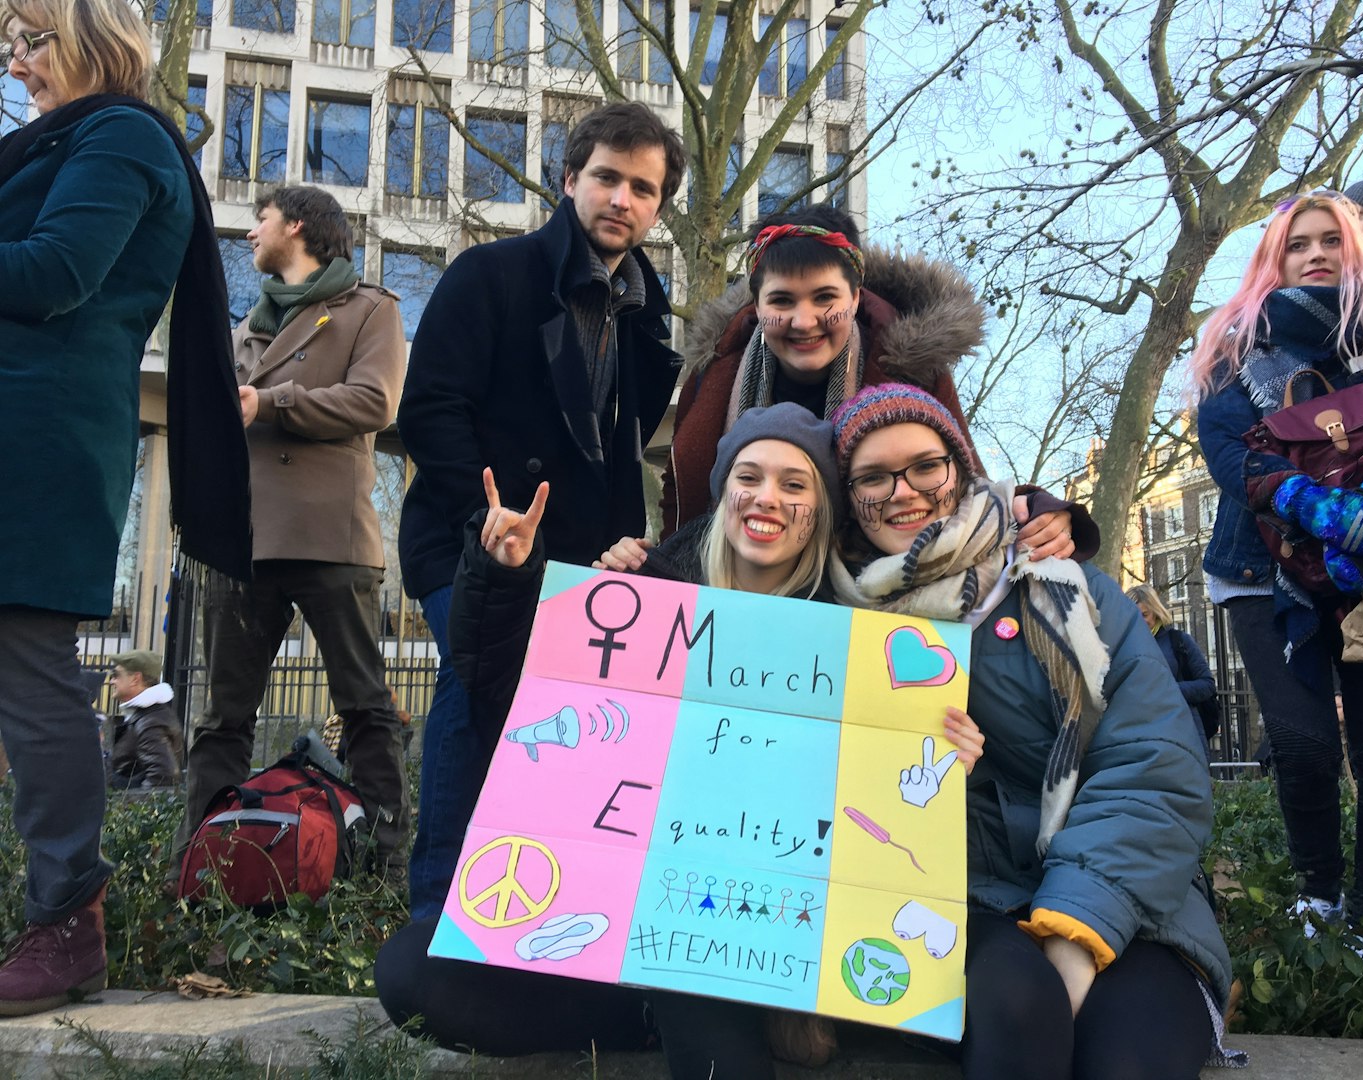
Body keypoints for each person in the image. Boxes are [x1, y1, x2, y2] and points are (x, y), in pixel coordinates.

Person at [378, 404, 987, 1077]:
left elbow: (886, 815)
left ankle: (712, 1012)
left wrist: (935, 757)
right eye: (748, 477)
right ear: (724, 493)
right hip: (624, 914)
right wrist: (508, 573)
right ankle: (639, 1019)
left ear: (822, 507)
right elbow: (504, 697)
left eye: (795, 483)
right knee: (412, 972)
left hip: (762, 934)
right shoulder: (643, 595)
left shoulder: (854, 630)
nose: (767, 499)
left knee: (704, 1016)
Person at [822, 384, 1232, 1080]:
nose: (903, 491)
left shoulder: (1068, 590)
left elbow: (1153, 768)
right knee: (1018, 1015)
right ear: (848, 494)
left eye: (925, 465)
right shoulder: (829, 612)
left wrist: (1076, 935)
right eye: (872, 476)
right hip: (958, 897)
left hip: (1127, 895)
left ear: (960, 469)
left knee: (1126, 1062)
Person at [0, 0, 248, 1016]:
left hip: (37, 440)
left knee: (28, 667)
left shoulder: (122, 134)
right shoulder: (55, 141)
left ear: (92, 31)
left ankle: (68, 922)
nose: (17, 62)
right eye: (9, 42)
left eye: (32, 37)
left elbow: (59, 274)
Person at [396, 101, 686, 918]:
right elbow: (430, 410)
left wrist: (627, 547)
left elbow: (620, 445)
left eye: (643, 186)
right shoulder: (490, 275)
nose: (621, 198)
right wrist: (489, 516)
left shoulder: (650, 319)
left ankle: (545, 917)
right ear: (570, 179)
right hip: (472, 540)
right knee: (471, 695)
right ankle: (436, 916)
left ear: (659, 204)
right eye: (606, 178)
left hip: (585, 563)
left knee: (571, 731)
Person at [1190, 190, 1363, 939]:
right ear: (1274, 257)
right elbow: (1228, 449)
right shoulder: (1235, 346)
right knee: (1301, 741)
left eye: (1331, 239)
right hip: (1258, 568)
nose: (1317, 253)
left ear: (1357, 246)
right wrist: (1315, 507)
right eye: (1298, 244)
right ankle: (1320, 896)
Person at [174, 185, 410, 878]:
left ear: (299, 225)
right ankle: (204, 868)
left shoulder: (369, 309)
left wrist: (269, 401)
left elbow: (374, 401)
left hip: (329, 537)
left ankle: (382, 869)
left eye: (262, 220)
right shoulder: (244, 328)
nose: (252, 233)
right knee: (221, 718)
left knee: (366, 706)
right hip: (242, 542)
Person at [661, 206, 1089, 564]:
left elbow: (963, 484)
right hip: (733, 588)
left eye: (825, 298)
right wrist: (653, 562)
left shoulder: (911, 369)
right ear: (757, 304)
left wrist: (1040, 511)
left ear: (856, 296)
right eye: (782, 301)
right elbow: (680, 504)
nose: (804, 321)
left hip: (865, 597)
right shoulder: (714, 372)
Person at [1126, 584, 1219, 746]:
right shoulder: (1122, 648)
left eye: (1144, 614)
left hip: (1181, 729)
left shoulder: (1179, 641)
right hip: (1140, 733)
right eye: (1133, 616)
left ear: (1155, 612)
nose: (1139, 621)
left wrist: (1170, 690)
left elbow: (1208, 685)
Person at [108, 649, 182, 790]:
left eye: (116, 675)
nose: (112, 681)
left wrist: (124, 806)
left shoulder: (151, 721)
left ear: (135, 679)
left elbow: (162, 780)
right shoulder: (146, 715)